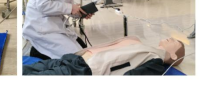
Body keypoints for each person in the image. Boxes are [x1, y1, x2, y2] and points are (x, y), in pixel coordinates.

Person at [24, 37, 185, 76]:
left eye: (175, 42)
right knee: (27, 70)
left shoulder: (154, 60)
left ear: (173, 55)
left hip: (82, 70)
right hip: (73, 59)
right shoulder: (140, 43)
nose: (170, 38)